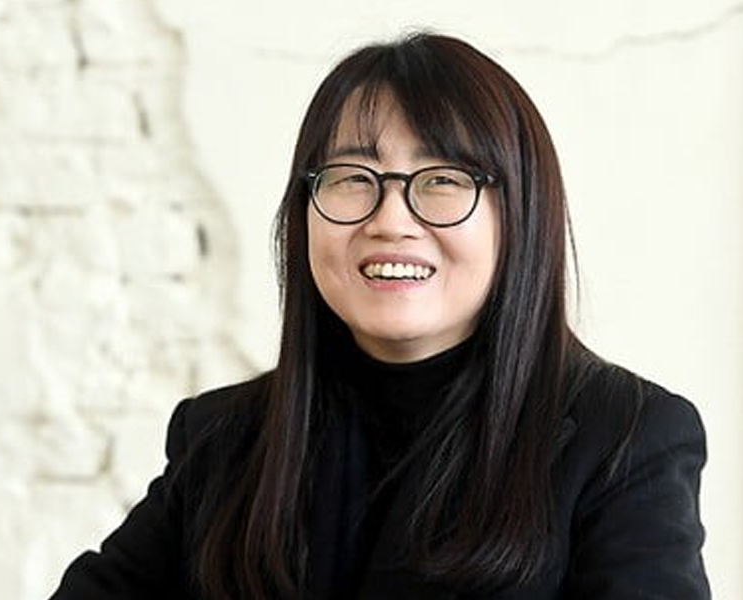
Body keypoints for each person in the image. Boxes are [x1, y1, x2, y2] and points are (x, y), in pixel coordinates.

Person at [47, 32, 709, 600]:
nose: (391, 221)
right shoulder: (223, 440)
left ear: (521, 215)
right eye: (352, 178)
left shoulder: (626, 439)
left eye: (443, 179)